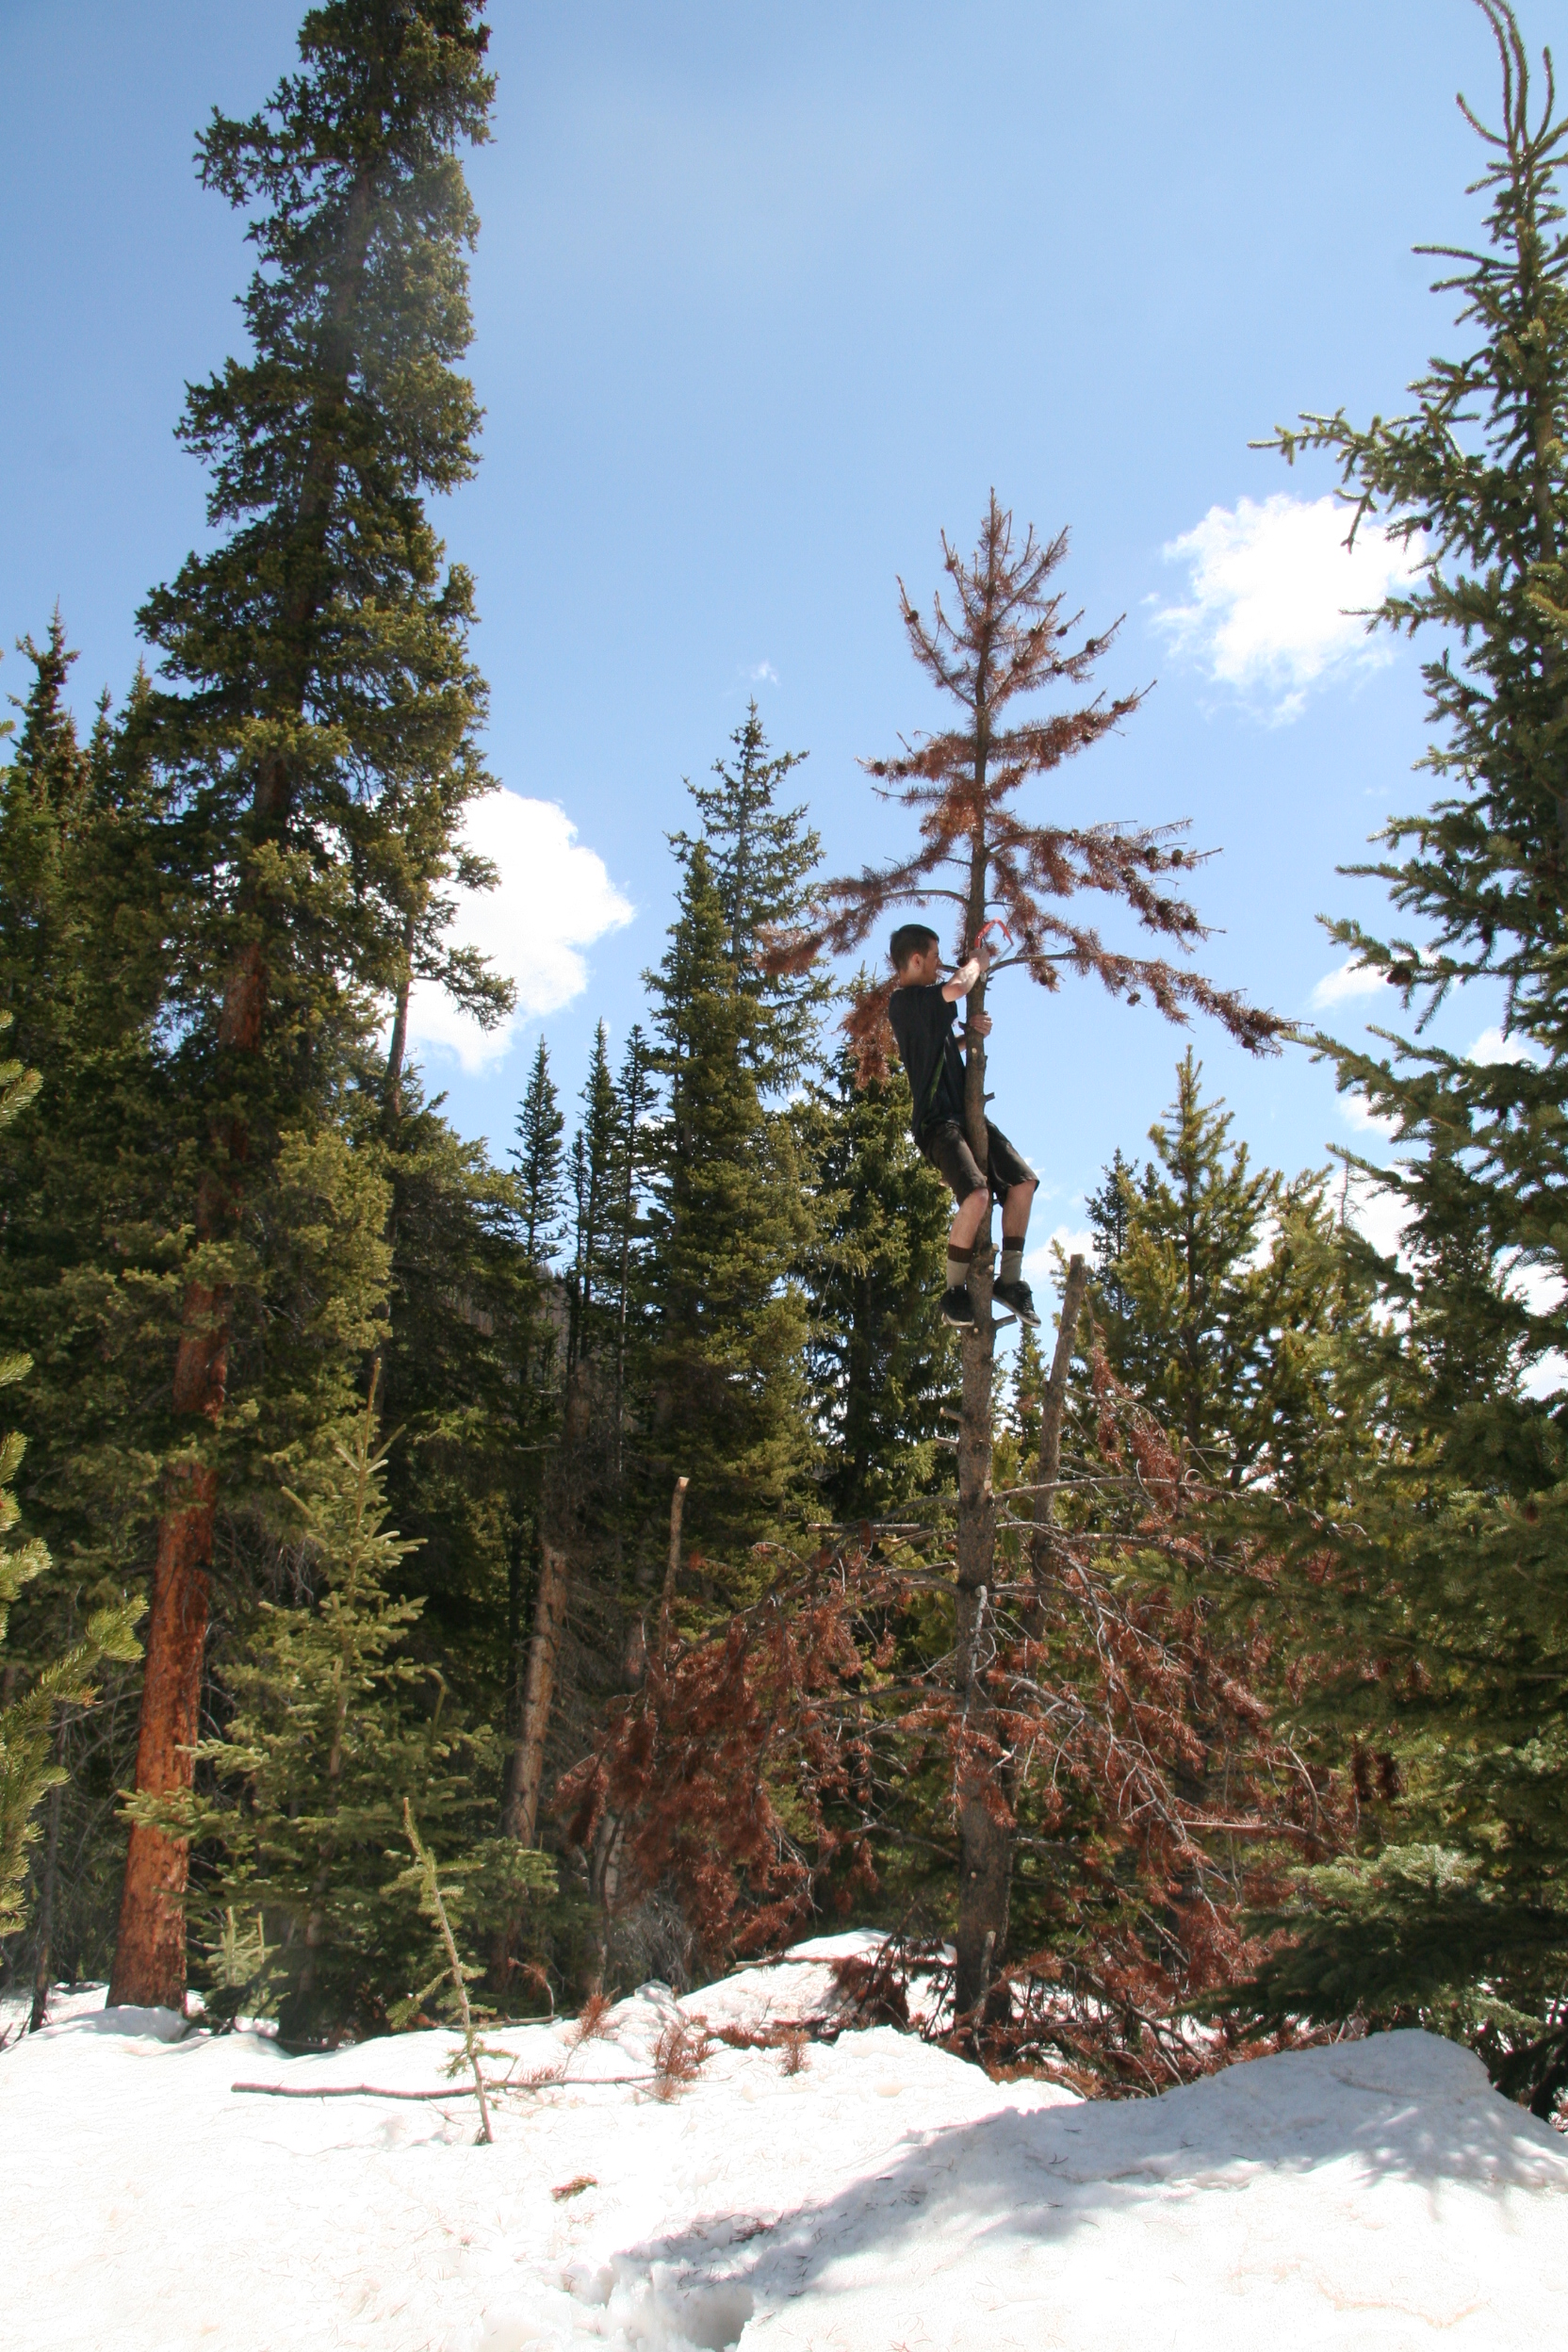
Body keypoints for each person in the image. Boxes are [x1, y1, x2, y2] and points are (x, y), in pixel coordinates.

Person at [886, 922, 1039, 1330]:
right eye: (934, 957)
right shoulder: (905, 1003)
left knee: (1023, 1183)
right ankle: (954, 1292)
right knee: (976, 1195)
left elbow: (939, 1047)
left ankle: (1009, 1281)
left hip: (965, 1116)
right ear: (916, 960)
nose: (938, 965)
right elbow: (957, 987)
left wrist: (968, 1037)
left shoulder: (923, 1009)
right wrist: (978, 962)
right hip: (938, 1124)